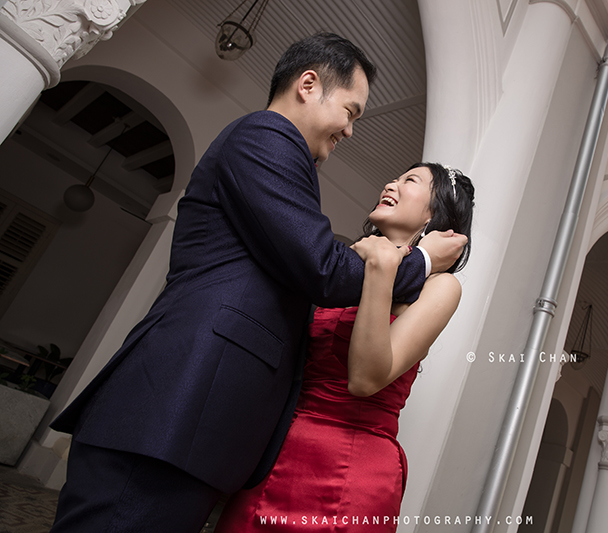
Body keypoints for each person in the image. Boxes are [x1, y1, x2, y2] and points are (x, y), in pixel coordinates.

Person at [48, 33, 466, 533]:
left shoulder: (296, 171)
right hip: (174, 412)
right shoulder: (266, 136)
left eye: (411, 182)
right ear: (309, 85)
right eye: (351, 112)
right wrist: (418, 259)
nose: (351, 131)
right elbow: (324, 269)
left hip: (215, 430)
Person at [214, 162, 474, 532]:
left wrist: (384, 266)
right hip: (279, 452)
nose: (391, 183)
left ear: (434, 214)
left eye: (410, 181)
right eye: (395, 176)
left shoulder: (441, 288)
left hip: (352, 469)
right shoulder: (350, 262)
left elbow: (366, 379)